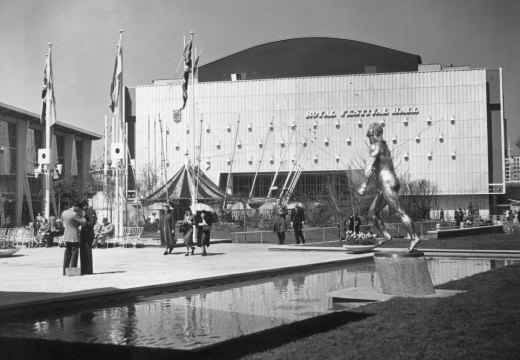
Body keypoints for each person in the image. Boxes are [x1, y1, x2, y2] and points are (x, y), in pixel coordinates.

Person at [357, 122, 421, 252]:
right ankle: (386, 235)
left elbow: (368, 167)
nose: (369, 139)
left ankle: (414, 237)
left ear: (375, 134)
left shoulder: (376, 145)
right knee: (371, 213)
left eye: (370, 136)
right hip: (386, 184)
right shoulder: (385, 147)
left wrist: (363, 185)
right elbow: (381, 164)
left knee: (400, 212)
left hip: (387, 183)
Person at [62, 202, 86, 276]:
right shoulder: (74, 214)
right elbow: (84, 222)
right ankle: (73, 270)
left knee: (67, 252)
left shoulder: (64, 212)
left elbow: (63, 223)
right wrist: (82, 215)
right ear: (76, 207)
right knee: (74, 253)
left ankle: (64, 271)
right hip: (74, 235)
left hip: (66, 234)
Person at [79, 199, 97, 275]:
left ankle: (89, 270)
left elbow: (92, 222)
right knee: (83, 252)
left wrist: (84, 223)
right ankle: (83, 269)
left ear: (86, 205)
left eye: (83, 207)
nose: (82, 209)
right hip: (83, 233)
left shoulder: (91, 211)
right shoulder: (85, 212)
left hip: (88, 233)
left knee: (87, 252)